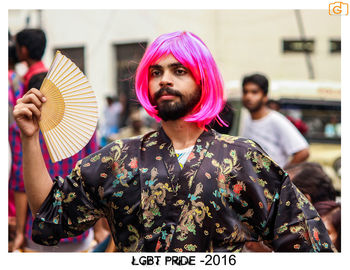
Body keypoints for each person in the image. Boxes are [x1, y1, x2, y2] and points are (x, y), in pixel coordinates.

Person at [13, 31, 334, 252]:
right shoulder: (117, 159)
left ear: (202, 81)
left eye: (178, 70)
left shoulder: (243, 159)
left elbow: (308, 242)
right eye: (155, 71)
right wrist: (30, 138)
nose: (164, 78)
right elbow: (52, 215)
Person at [9, 31, 99, 251]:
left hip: (38, 231)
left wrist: (20, 232)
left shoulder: (19, 127)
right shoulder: (83, 122)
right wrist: (100, 228)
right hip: (79, 230)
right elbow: (96, 174)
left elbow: (20, 185)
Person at [241, 73, 309, 168]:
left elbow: (303, 152)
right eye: (245, 92)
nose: (248, 97)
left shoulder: (275, 120)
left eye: (254, 92)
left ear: (265, 96)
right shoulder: (245, 119)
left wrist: (281, 176)